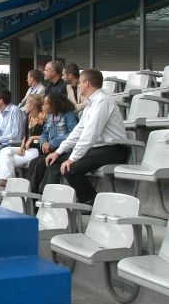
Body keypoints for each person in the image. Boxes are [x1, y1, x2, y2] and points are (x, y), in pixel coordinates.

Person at [42, 68, 127, 204]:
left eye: (80, 82)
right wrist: (58, 152)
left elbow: (90, 134)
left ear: (87, 83)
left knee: (71, 169)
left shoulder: (102, 102)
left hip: (113, 150)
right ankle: (47, 199)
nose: (78, 85)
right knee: (55, 161)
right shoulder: (90, 104)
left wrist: (73, 158)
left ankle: (92, 202)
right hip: (97, 149)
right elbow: (77, 131)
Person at [27, 93, 78, 193]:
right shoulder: (50, 117)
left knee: (42, 163)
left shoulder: (69, 116)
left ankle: (36, 194)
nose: (43, 106)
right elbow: (44, 133)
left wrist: (52, 143)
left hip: (65, 151)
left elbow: (72, 134)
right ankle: (28, 192)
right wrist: (44, 142)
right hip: (52, 150)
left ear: (54, 105)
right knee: (34, 162)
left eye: (46, 104)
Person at [0, 94, 45, 186]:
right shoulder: (28, 117)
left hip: (35, 150)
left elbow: (46, 135)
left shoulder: (42, 117)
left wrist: (33, 138)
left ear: (32, 105)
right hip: (26, 149)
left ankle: (7, 182)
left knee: (7, 161)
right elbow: (25, 136)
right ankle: (7, 181)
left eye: (27, 103)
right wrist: (21, 147)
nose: (25, 105)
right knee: (5, 151)